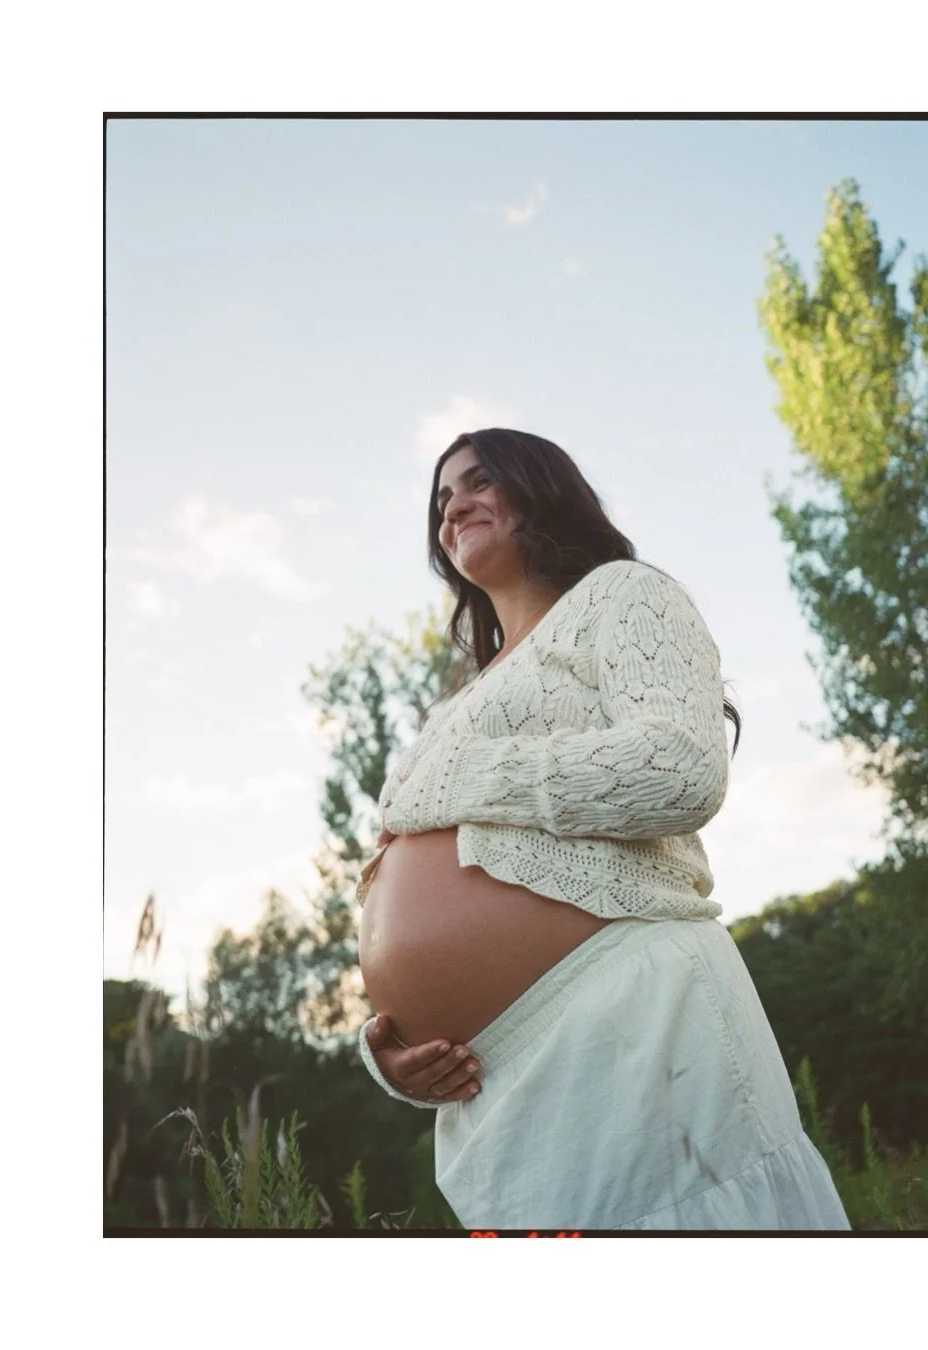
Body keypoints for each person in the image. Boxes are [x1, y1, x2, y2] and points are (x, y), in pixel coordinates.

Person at [356, 428, 850, 1231]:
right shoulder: (455, 706)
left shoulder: (623, 595)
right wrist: (396, 1049)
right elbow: (400, 884)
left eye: (480, 482)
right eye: (442, 499)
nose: (454, 508)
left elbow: (679, 767)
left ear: (541, 488)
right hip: (497, 1088)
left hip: (636, 1016)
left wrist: (460, 780)